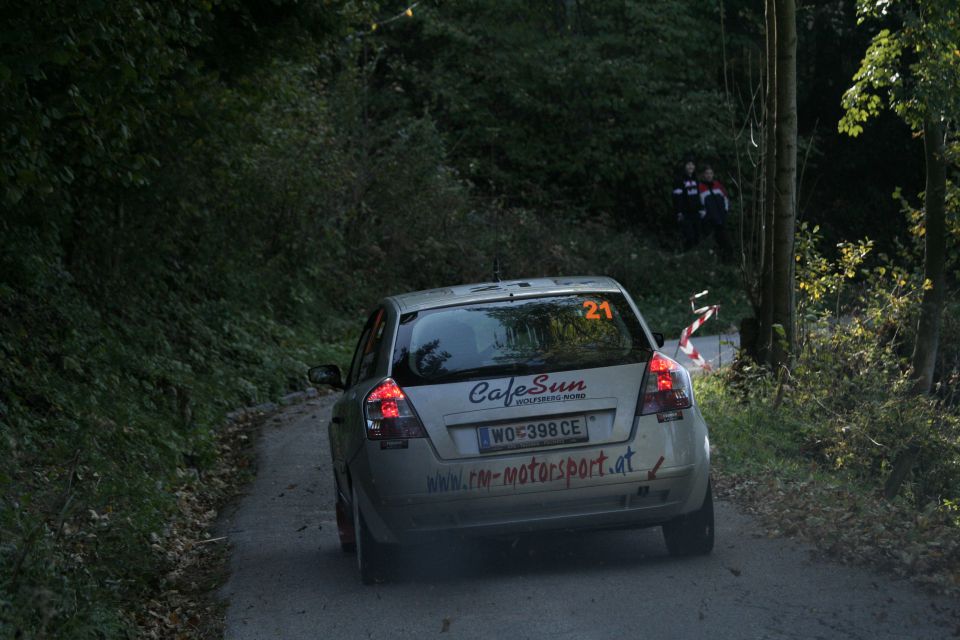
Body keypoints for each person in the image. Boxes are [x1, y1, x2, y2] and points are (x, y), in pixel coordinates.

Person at [697, 165, 731, 261]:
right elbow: (698, 204)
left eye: (710, 173)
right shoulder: (700, 187)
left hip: (720, 220)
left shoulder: (718, 186)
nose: (709, 175)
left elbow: (726, 199)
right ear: (703, 175)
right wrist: (704, 216)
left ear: (713, 174)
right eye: (707, 173)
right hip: (708, 222)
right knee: (710, 244)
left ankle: (727, 262)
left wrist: (725, 212)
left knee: (725, 242)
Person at [672, 159, 702, 251]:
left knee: (698, 235)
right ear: (684, 166)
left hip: (696, 212)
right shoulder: (679, 180)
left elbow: (699, 196)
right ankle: (688, 256)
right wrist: (679, 212)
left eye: (692, 164)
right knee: (689, 236)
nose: (691, 167)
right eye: (688, 164)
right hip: (685, 213)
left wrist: (701, 208)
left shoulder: (696, 179)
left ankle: (697, 257)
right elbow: (677, 198)